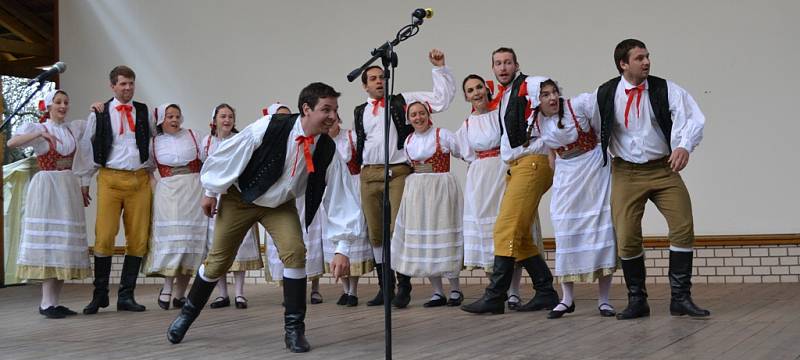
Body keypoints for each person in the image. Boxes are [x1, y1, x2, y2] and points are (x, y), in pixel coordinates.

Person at [167, 83, 362, 354]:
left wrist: (342, 248)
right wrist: (211, 191)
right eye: (325, 109)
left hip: (280, 204)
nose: (332, 116)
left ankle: (294, 330)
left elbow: (342, 197)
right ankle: (186, 316)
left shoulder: (327, 149)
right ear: (306, 109)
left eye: (335, 110)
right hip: (241, 199)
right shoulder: (272, 125)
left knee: (295, 253)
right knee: (217, 262)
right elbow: (231, 153)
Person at [594, 39, 709, 319]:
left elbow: (691, 118)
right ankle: (637, 301)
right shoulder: (606, 93)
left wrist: (683, 146)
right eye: (639, 58)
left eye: (647, 57)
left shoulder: (665, 89)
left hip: (663, 169)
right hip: (625, 172)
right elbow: (580, 116)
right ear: (623, 63)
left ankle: (680, 299)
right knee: (627, 237)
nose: (646, 62)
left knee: (683, 226)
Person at [353, 49, 456, 307]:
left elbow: (440, 100)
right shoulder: (359, 111)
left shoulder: (402, 100)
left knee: (397, 228)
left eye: (382, 77)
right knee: (376, 233)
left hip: (397, 171)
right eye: (373, 78)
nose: (379, 81)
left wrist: (439, 68)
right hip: (369, 173)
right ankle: (384, 287)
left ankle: (404, 286)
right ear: (365, 85)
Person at [462, 48, 558, 315]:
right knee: (521, 233)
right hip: (517, 165)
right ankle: (545, 291)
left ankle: (495, 296)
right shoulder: (505, 95)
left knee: (504, 228)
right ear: (492, 68)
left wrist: (552, 145)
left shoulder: (530, 84)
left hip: (532, 162)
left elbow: (552, 99)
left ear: (517, 64)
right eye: (498, 63)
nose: (503, 67)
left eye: (507, 63)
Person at [529, 79, 617, 319]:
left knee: (599, 228)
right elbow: (549, 151)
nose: (551, 97)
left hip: (592, 169)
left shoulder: (578, 106)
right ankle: (567, 299)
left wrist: (604, 160)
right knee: (564, 228)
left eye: (554, 92)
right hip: (566, 172)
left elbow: (602, 131)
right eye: (545, 94)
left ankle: (604, 300)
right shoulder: (537, 121)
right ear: (537, 101)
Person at [73, 65, 154, 314]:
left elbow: (153, 141)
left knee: (138, 237)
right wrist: (85, 181)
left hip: (139, 179)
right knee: (105, 235)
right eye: (123, 84)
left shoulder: (144, 111)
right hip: (109, 178)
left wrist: (154, 176)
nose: (128, 88)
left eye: (131, 83)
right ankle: (100, 296)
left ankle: (126, 296)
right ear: (112, 86)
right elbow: (87, 148)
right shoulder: (99, 112)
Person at [456, 74, 539, 310]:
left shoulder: (499, 114)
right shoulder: (467, 124)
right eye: (471, 90)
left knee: (509, 228)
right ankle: (494, 290)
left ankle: (513, 292)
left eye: (479, 87)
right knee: (486, 232)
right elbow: (466, 152)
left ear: (487, 89)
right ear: (466, 96)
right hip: (480, 177)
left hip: (503, 171)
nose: (476, 93)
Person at [8, 89, 90, 318]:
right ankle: (46, 302)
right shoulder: (40, 129)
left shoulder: (71, 129)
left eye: (65, 102)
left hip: (68, 187)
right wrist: (41, 136)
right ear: (49, 106)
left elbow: (88, 140)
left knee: (63, 242)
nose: (63, 106)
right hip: (48, 187)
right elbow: (12, 143)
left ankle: (54, 302)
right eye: (58, 102)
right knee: (49, 240)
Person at [391, 101, 464, 308]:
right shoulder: (409, 141)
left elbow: (463, 152)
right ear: (409, 118)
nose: (418, 118)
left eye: (421, 113)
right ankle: (438, 292)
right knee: (426, 237)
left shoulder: (443, 135)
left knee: (445, 232)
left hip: (440, 187)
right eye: (413, 115)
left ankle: (456, 289)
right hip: (418, 191)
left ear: (428, 114)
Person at [144, 103, 208, 310]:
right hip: (168, 194)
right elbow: (148, 170)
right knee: (173, 241)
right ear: (161, 120)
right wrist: (158, 190)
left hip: (193, 190)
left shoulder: (194, 135)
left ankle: (180, 294)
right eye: (169, 116)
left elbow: (208, 160)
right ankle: (167, 287)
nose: (174, 120)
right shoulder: (154, 142)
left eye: (177, 116)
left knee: (189, 242)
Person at [202, 103, 264, 310]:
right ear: (215, 120)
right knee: (217, 243)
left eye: (230, 116)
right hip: (214, 196)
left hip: (235, 196)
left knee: (240, 242)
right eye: (223, 116)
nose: (227, 120)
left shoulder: (240, 140)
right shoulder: (207, 142)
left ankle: (239, 293)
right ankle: (222, 294)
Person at [326, 113, 375, 307]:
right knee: (335, 240)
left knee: (353, 237)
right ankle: (344, 289)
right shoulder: (321, 143)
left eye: (334, 120)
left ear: (339, 119)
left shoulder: (352, 137)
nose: (330, 124)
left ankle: (353, 290)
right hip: (331, 191)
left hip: (354, 187)